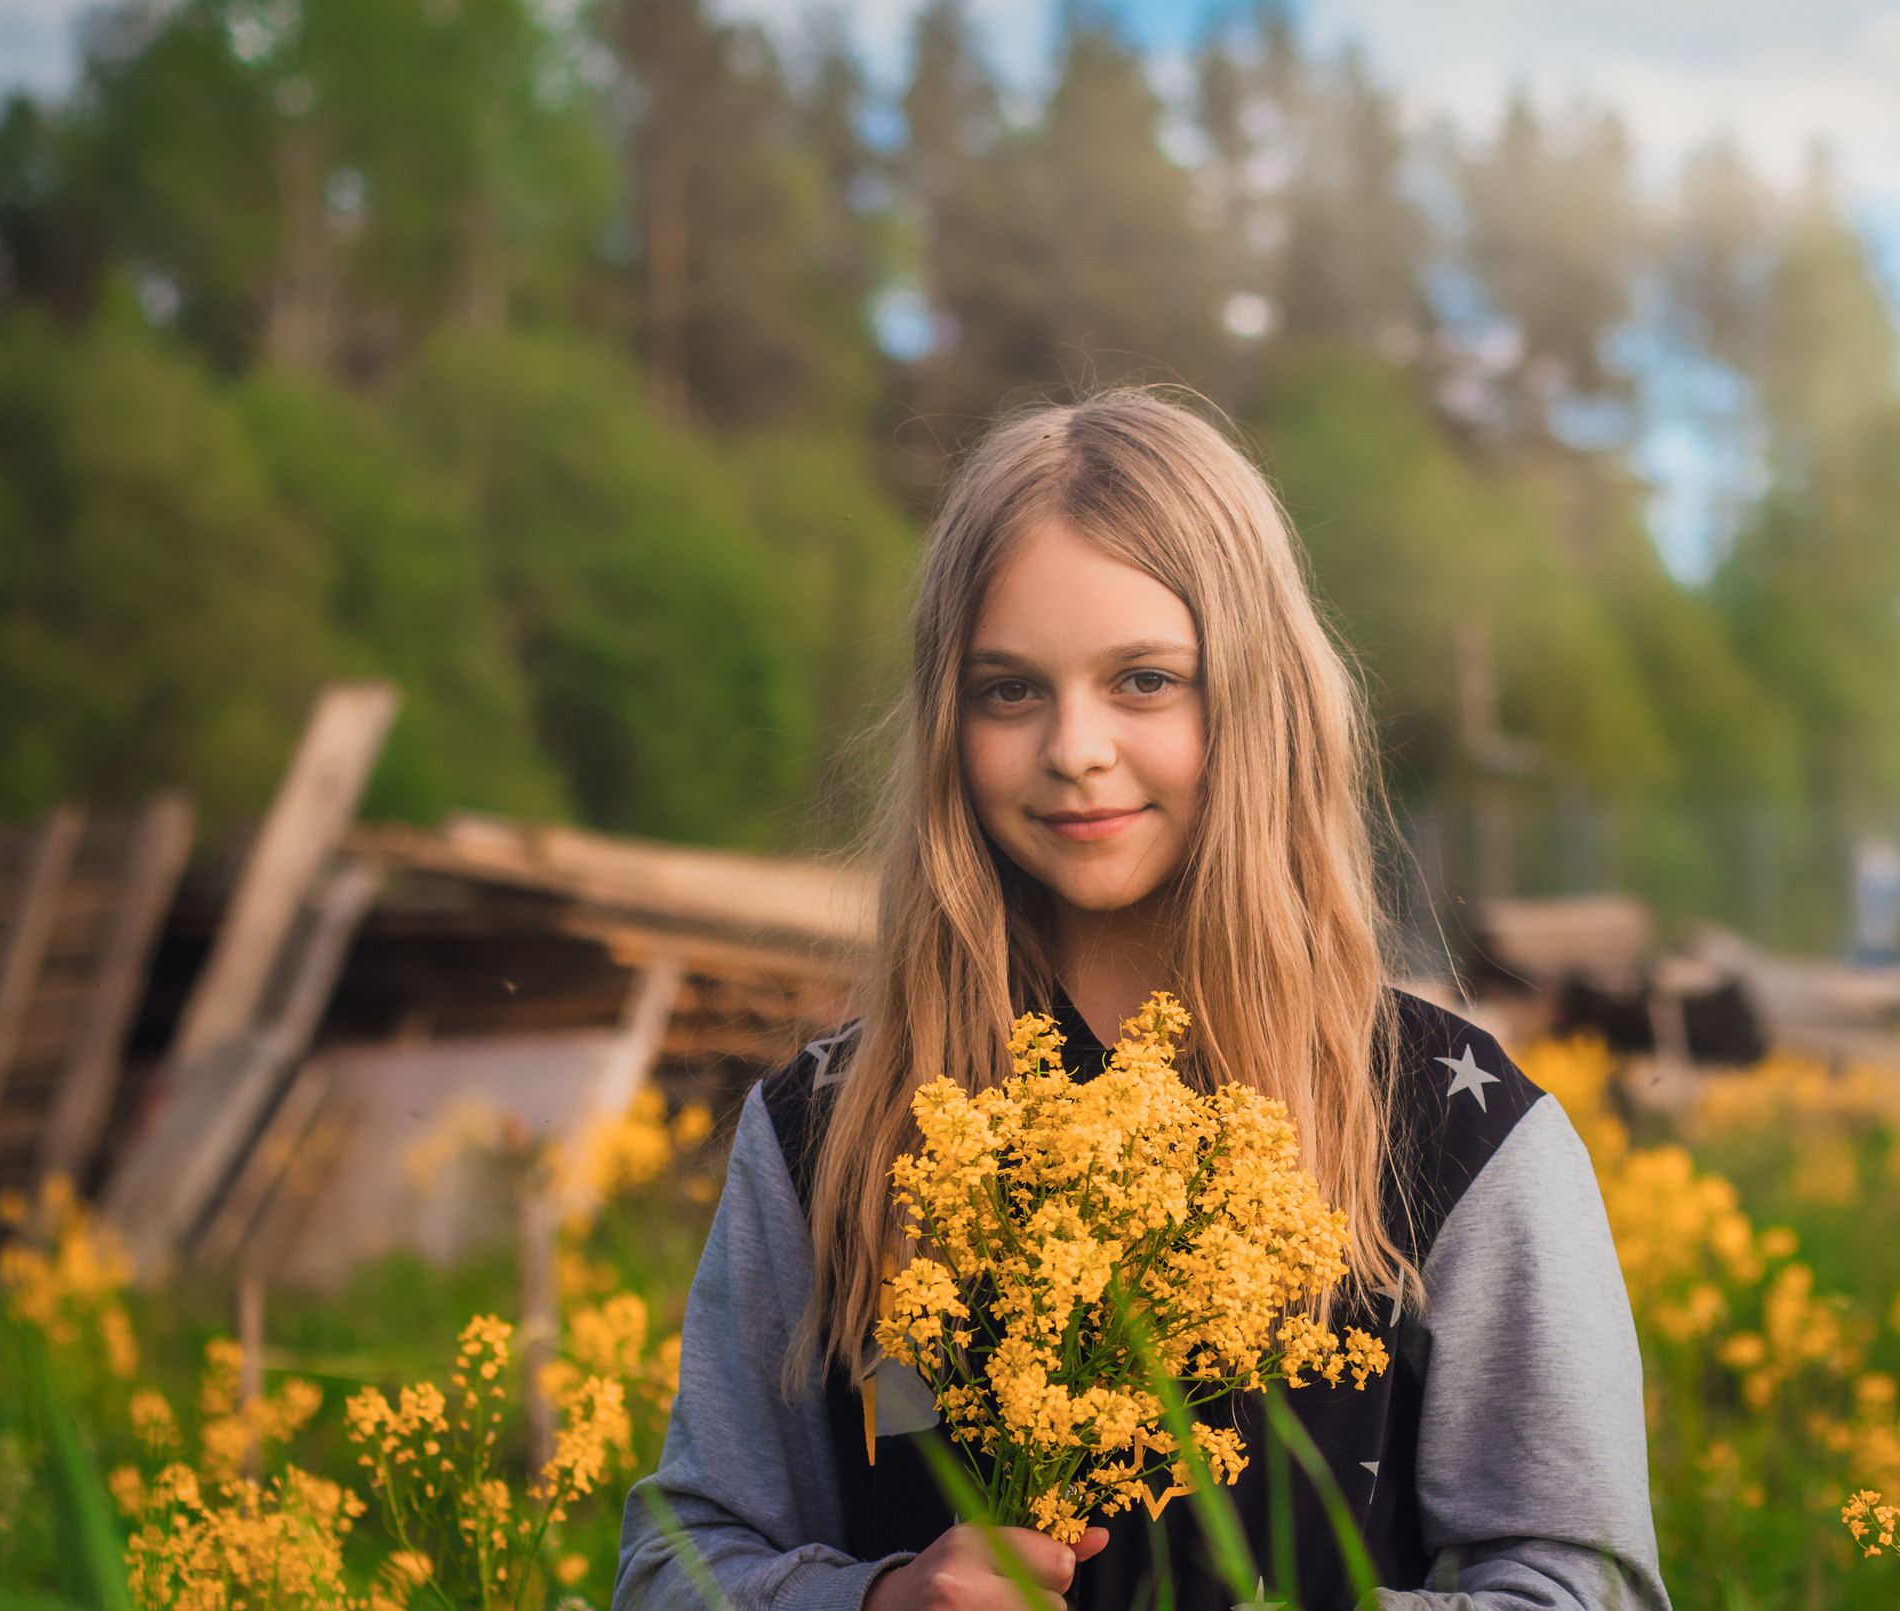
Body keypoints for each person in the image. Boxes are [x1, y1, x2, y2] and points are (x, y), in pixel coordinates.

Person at [616, 390, 1667, 1611]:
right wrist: (878, 1602)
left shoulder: (1454, 1133)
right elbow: (673, 1564)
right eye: (1009, 690)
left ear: (1256, 698)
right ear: (948, 720)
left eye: (1144, 682)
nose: (1075, 747)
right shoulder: (828, 1133)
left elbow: (1580, 1584)